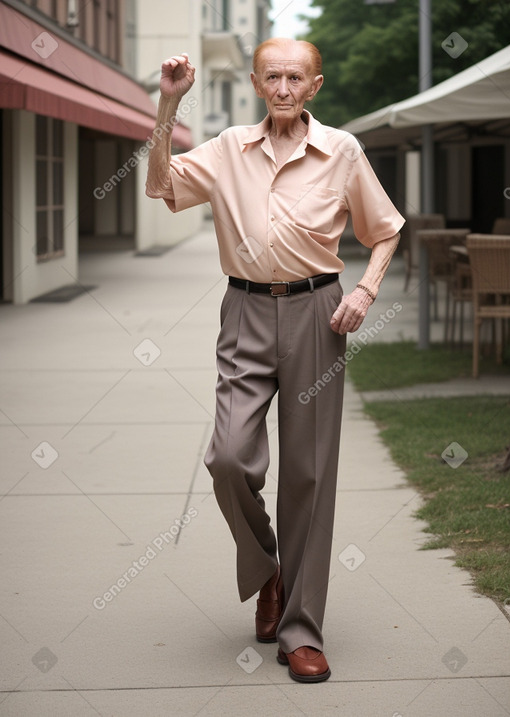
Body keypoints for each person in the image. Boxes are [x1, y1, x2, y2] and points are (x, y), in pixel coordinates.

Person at [146, 37, 404, 684]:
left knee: (309, 476)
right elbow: (160, 186)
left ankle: (301, 628)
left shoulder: (342, 150)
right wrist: (167, 106)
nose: (284, 88)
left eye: (296, 78)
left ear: (313, 86)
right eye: (273, 78)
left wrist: (367, 289)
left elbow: (385, 229)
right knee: (229, 456)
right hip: (246, 313)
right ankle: (267, 569)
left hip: (320, 312)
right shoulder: (230, 146)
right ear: (259, 84)